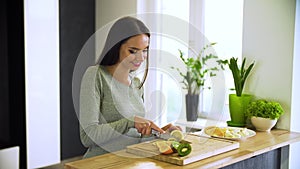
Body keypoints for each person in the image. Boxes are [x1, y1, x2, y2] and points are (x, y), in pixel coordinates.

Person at [79, 16, 180, 158]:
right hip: (100, 162)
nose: (141, 57)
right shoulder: (96, 75)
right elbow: (87, 137)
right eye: (133, 51)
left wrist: (162, 134)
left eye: (145, 50)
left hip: (130, 161)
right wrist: (129, 122)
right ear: (116, 46)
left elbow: (134, 138)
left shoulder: (137, 84)